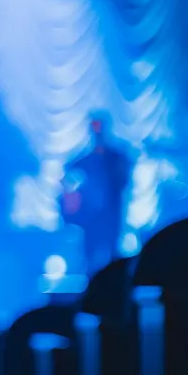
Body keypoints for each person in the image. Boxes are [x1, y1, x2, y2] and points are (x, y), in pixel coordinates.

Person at [61, 112, 134, 275]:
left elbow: (125, 179)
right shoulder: (87, 159)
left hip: (112, 213)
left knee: (113, 250)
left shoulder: (116, 157)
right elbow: (68, 174)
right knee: (90, 254)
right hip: (92, 216)